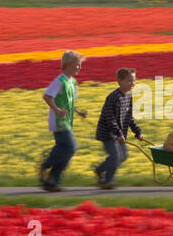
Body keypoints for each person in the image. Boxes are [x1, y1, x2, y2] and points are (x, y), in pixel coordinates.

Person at [39, 50, 88, 192]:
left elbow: (70, 103)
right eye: (76, 65)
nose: (79, 67)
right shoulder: (59, 81)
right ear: (67, 64)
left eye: (80, 65)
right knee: (71, 147)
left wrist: (79, 112)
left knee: (67, 151)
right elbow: (47, 97)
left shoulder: (73, 82)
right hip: (59, 121)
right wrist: (58, 110)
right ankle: (45, 165)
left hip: (67, 121)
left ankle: (51, 181)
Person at [95, 67, 144, 189]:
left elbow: (129, 117)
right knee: (116, 155)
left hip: (118, 133)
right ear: (119, 81)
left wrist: (137, 132)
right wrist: (118, 134)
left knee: (123, 155)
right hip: (107, 133)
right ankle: (107, 182)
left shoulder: (128, 97)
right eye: (129, 80)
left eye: (134, 80)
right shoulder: (113, 97)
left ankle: (100, 169)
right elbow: (109, 118)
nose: (132, 83)